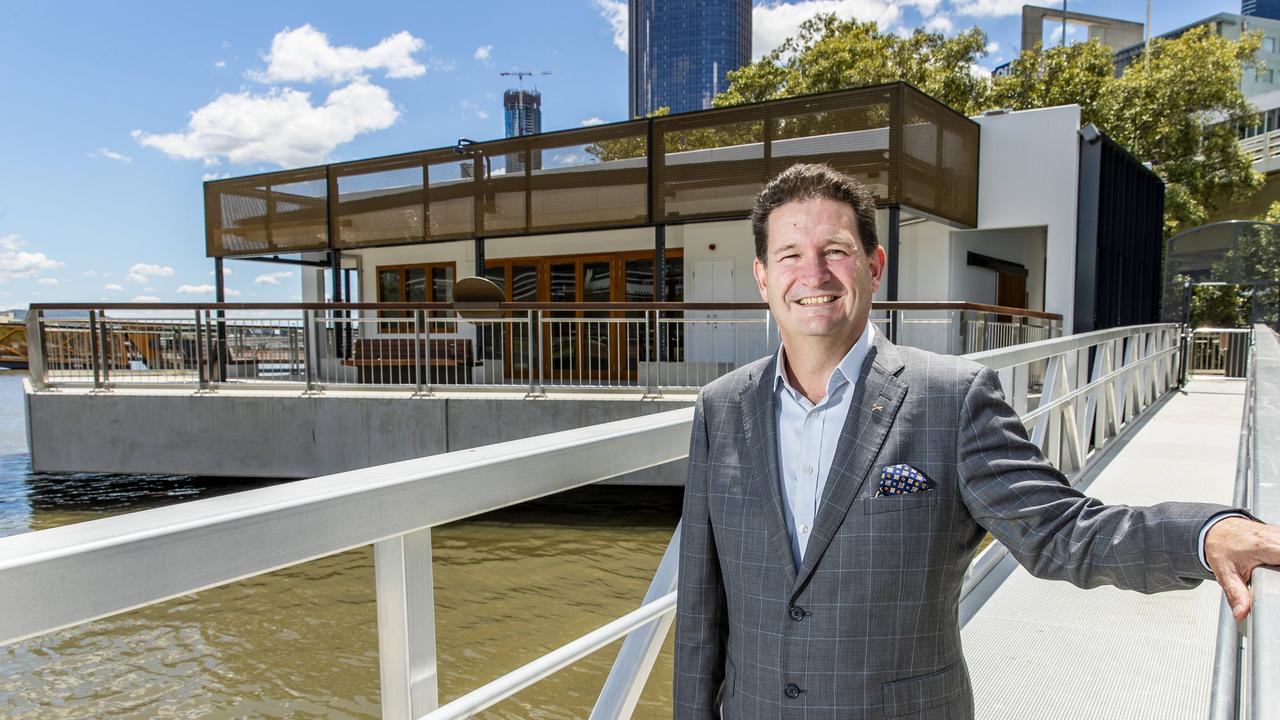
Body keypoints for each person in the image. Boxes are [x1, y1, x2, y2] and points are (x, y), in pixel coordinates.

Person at [674, 163, 1279, 719]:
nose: (813, 274)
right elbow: (701, 612)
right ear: (761, 276)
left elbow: (1062, 531)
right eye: (790, 255)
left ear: (874, 266)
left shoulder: (952, 398)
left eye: (835, 250)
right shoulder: (721, 409)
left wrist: (1205, 535)